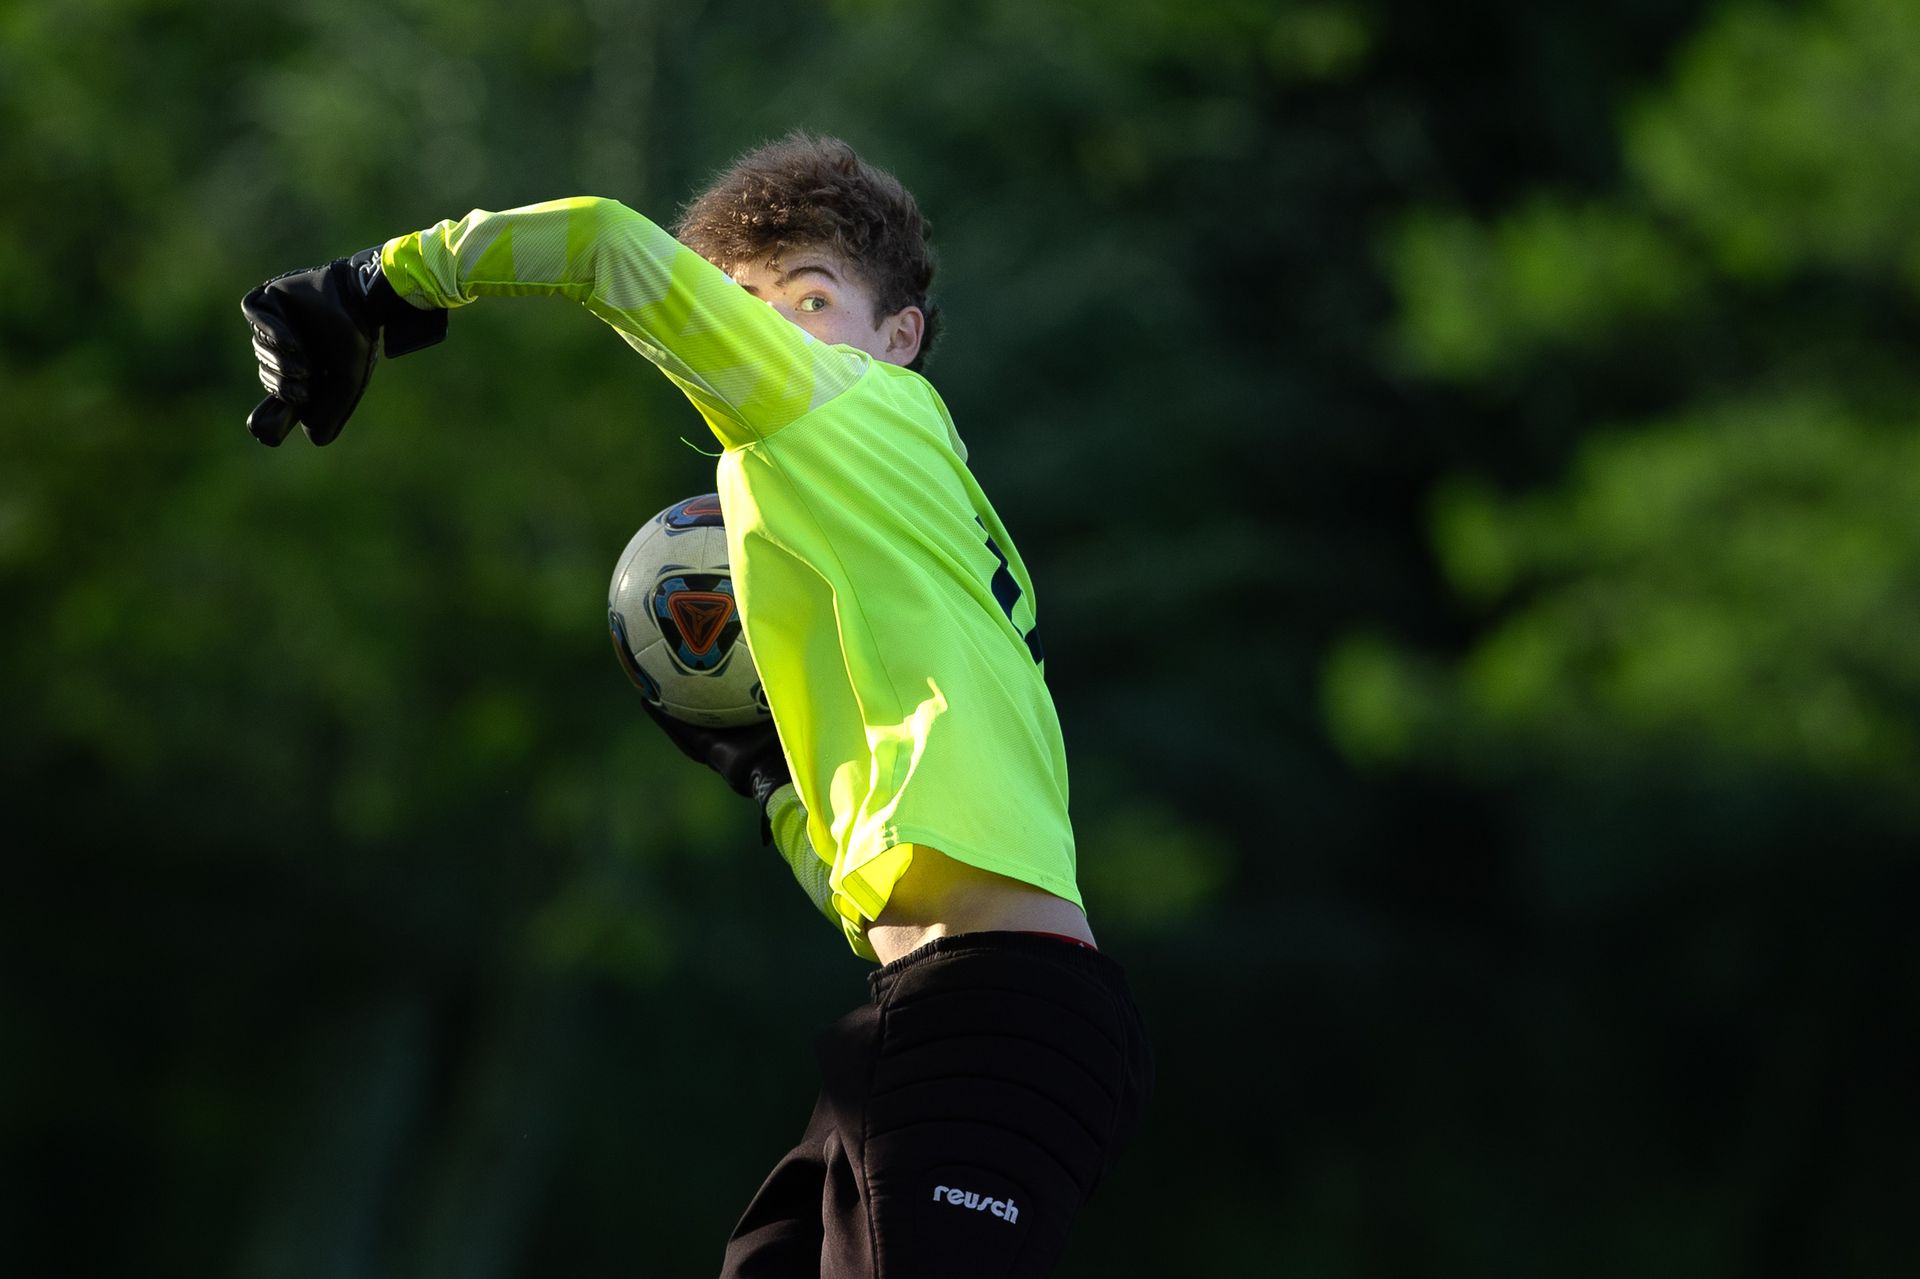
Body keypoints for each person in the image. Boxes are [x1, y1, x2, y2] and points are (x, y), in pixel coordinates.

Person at [241, 132, 1152, 1277]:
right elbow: (869, 892)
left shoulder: (846, 405)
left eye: (809, 299)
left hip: (999, 1017)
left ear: (899, 337)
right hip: (950, 1004)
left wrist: (376, 283)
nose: (769, 327)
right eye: (743, 302)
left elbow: (598, 243)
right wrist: (770, 783)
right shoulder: (899, 516)